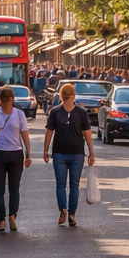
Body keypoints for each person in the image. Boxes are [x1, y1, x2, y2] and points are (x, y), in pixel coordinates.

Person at [45, 82, 95, 227]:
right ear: (73, 95)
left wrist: (45, 150)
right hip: (77, 153)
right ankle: (72, 213)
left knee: (60, 185)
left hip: (59, 153)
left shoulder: (55, 111)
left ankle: (63, 209)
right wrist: (91, 152)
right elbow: (87, 133)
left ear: (61, 95)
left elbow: (49, 131)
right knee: (74, 185)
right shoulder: (81, 112)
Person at [0, 87, 32, 233]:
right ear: (12, 98)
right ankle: (12, 217)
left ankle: (1, 221)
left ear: (0, 99)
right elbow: (25, 136)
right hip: (16, 155)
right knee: (14, 189)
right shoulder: (19, 114)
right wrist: (28, 155)